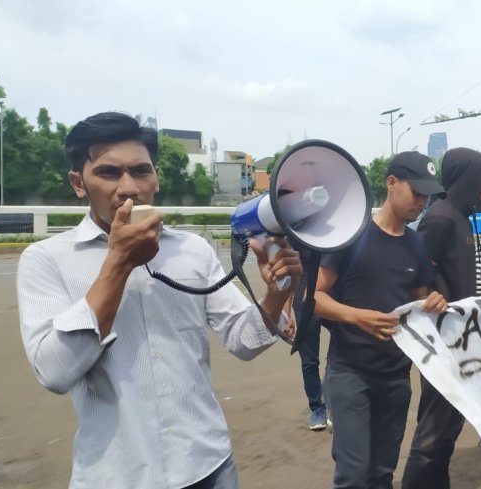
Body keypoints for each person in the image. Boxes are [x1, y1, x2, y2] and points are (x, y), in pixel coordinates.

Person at [17, 112, 302, 488]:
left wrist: (277, 293)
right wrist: (118, 263)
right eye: (108, 173)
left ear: (156, 177)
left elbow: (244, 341)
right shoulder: (46, 260)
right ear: (78, 183)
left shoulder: (192, 250)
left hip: (208, 464)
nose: (128, 187)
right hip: (116, 475)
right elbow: (54, 373)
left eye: (140, 171)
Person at [314, 151, 448, 489]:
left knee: (382, 474)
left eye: (427, 195)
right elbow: (311, 297)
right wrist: (355, 317)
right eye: (416, 192)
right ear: (391, 183)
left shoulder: (417, 244)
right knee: (354, 476)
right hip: (350, 373)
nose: (422, 201)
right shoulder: (351, 235)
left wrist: (433, 303)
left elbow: (418, 303)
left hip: (396, 376)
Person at [403, 148, 481, 489]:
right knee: (434, 429)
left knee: (449, 424)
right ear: (467, 182)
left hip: (458, 339)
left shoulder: (459, 215)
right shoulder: (440, 218)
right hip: (440, 340)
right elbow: (415, 277)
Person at [289, 243, 328, 431]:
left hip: (333, 297)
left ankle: (333, 400)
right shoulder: (297, 230)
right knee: (309, 360)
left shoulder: (341, 229)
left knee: (344, 350)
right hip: (304, 300)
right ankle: (317, 408)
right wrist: (286, 312)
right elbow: (290, 273)